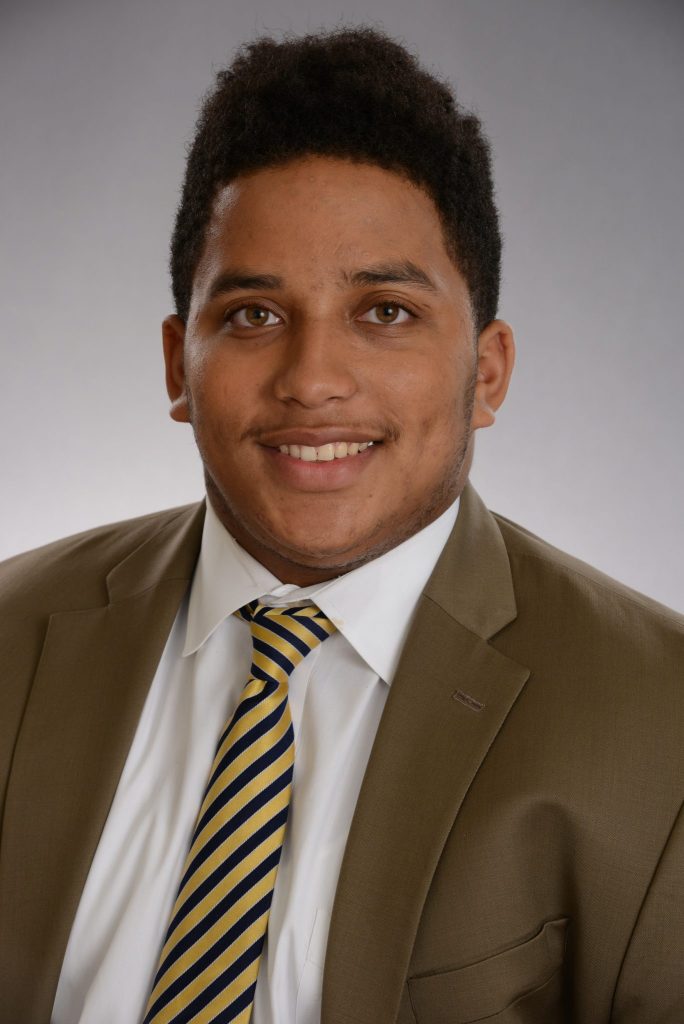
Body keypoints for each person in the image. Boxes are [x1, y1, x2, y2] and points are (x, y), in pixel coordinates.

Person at [0, 26, 682, 1024]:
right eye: (253, 317)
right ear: (174, 366)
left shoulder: (660, 717)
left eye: (385, 312)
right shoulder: (13, 636)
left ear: (486, 372)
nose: (312, 380)